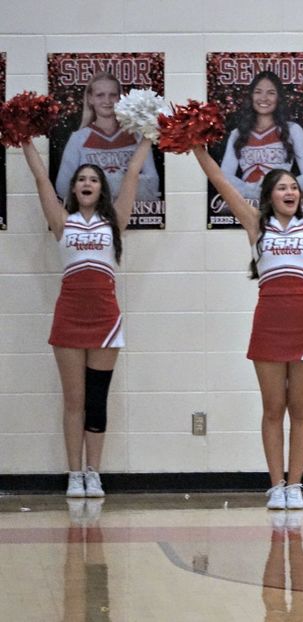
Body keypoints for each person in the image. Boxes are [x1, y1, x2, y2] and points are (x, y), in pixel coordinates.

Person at [193, 141, 303, 510]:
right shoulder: (256, 225)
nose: (290, 191)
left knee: (300, 409)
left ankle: (296, 484)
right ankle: (275, 484)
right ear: (270, 194)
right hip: (269, 322)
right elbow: (221, 181)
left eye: (294, 186)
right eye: (282, 187)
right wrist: (197, 149)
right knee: (273, 408)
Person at [23, 135, 153, 498]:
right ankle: (74, 473)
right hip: (69, 316)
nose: (86, 184)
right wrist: (24, 142)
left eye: (93, 179)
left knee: (97, 399)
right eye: (81, 179)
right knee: (73, 400)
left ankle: (94, 472)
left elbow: (131, 175)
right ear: (73, 188)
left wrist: (147, 137)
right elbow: (41, 181)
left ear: (101, 189)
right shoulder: (62, 222)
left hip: (105, 320)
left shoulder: (114, 224)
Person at [55, 72, 160, 203]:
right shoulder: (78, 139)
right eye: (100, 95)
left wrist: (95, 184)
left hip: (133, 216)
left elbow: (153, 185)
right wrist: (128, 181)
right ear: (90, 99)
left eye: (113, 95)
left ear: (120, 97)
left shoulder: (138, 135)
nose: (107, 101)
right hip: (92, 216)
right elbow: (63, 188)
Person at [219, 70, 303, 202]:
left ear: (279, 98)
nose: (264, 98)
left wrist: (274, 189)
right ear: (251, 96)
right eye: (258, 92)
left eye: (271, 93)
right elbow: (223, 177)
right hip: (246, 204)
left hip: (280, 203)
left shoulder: (293, 130)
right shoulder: (237, 133)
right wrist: (249, 190)